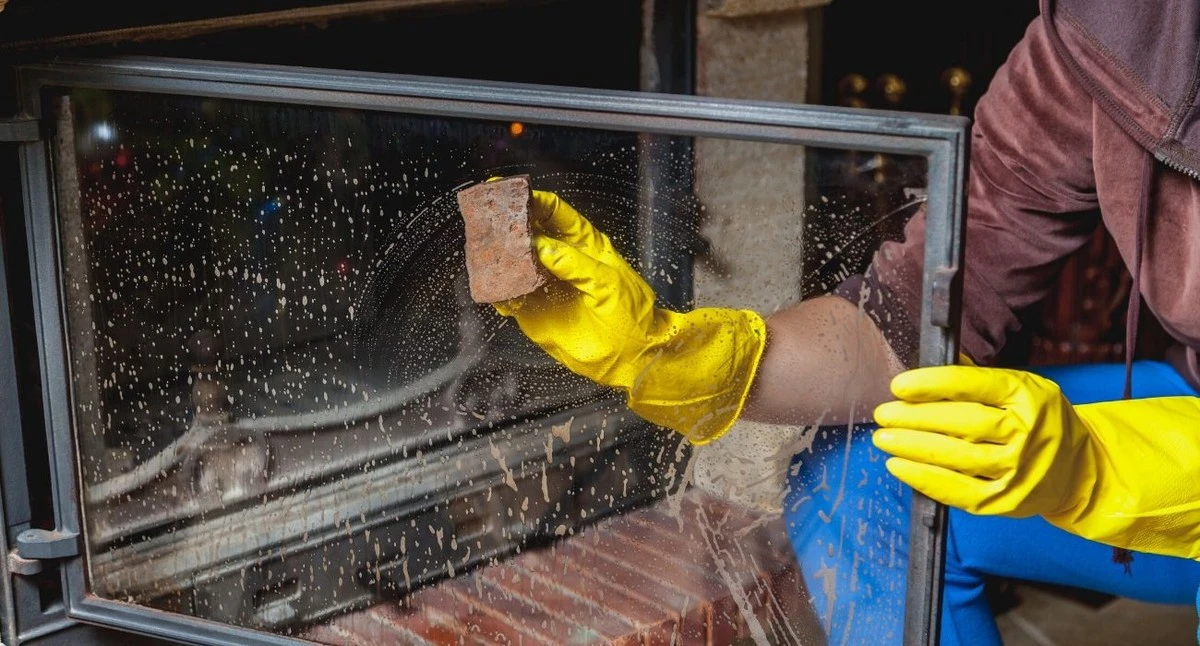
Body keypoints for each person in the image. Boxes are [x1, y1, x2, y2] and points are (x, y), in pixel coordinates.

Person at [489, 1, 1200, 643]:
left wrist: (1097, 467)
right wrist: (678, 355)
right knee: (857, 474)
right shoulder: (1111, 35)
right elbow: (908, 319)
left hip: (1171, 468)